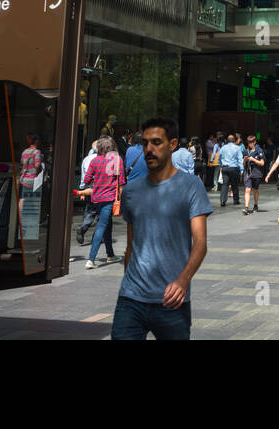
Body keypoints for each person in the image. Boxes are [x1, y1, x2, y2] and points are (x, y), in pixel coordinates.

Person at [112, 118, 211, 340]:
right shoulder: (131, 191)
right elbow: (131, 244)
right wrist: (128, 281)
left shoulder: (191, 186)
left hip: (172, 300)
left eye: (156, 142)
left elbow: (201, 243)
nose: (149, 149)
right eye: (145, 143)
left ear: (173, 144)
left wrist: (183, 281)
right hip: (131, 299)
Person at [78, 136, 123, 269]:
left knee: (107, 225)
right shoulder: (117, 160)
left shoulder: (95, 160)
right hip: (109, 198)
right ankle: (91, 259)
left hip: (96, 198)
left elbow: (86, 180)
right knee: (102, 226)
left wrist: (97, 183)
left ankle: (110, 255)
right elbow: (121, 182)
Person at [76, 141, 100, 245]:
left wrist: (82, 190)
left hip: (88, 186)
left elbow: (83, 177)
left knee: (90, 210)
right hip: (99, 186)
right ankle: (98, 236)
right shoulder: (101, 159)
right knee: (101, 213)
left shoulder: (86, 159)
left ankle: (82, 228)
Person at [217, 133, 243, 207]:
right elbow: (240, 159)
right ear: (234, 140)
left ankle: (222, 200)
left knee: (225, 185)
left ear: (227, 140)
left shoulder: (223, 148)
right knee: (234, 184)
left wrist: (221, 166)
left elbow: (219, 158)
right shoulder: (237, 148)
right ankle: (236, 200)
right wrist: (241, 169)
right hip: (233, 168)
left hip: (225, 168)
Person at [241, 136, 266, 215]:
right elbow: (243, 164)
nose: (250, 144)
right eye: (248, 142)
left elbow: (262, 163)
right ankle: (246, 208)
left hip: (256, 172)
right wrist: (244, 160)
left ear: (254, 142)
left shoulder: (259, 150)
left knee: (255, 190)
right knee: (247, 190)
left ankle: (255, 205)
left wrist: (254, 160)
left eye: (251, 142)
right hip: (248, 172)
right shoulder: (245, 151)